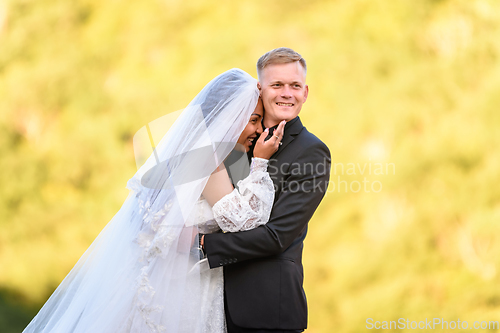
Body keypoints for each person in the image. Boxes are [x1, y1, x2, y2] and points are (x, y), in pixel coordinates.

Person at [23, 68, 284, 333]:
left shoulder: (188, 151)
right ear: (230, 116)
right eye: (254, 120)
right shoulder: (208, 159)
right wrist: (260, 163)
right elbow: (246, 221)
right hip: (180, 291)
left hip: (165, 280)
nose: (260, 129)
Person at [202, 48, 331, 332]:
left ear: (305, 92)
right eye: (277, 85)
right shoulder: (232, 145)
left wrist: (202, 245)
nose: (287, 93)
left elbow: (277, 236)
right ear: (260, 90)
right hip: (210, 304)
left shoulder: (312, 152)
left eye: (295, 86)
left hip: (268, 311)